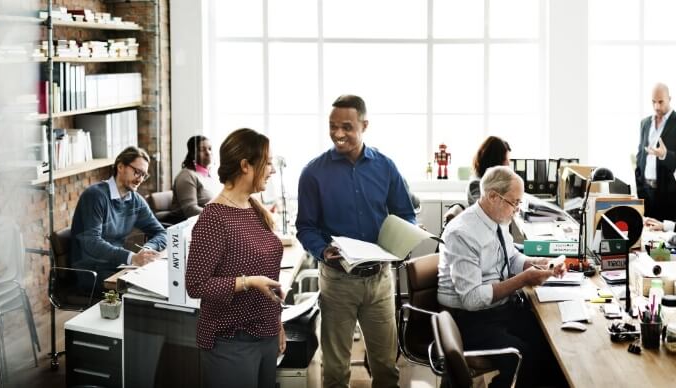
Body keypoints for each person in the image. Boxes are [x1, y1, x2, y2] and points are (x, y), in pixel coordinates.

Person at [296, 94, 416, 388]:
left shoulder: (385, 167)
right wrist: (322, 250)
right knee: (335, 371)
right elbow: (305, 227)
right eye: (332, 126)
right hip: (338, 281)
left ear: (364, 125)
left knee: (386, 367)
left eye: (347, 127)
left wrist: (401, 242)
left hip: (379, 281)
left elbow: (405, 214)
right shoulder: (313, 173)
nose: (338, 134)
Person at [438, 166, 566, 388]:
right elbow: (472, 299)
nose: (517, 209)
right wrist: (524, 279)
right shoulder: (463, 233)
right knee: (524, 356)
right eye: (514, 202)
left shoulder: (496, 220)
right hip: (469, 319)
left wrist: (536, 263)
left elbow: (511, 257)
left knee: (553, 345)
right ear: (492, 197)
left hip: (498, 310)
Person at [185, 128, 284, 388]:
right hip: (231, 343)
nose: (272, 169)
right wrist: (248, 282)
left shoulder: (253, 207)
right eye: (268, 162)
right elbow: (195, 285)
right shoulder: (213, 218)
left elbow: (269, 275)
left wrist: (277, 323)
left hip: (266, 334)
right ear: (245, 166)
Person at [69, 146, 166, 281]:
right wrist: (132, 258)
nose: (140, 179)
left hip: (117, 267)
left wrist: (147, 249)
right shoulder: (95, 196)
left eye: (144, 175)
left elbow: (162, 233)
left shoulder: (135, 200)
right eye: (137, 172)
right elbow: (92, 243)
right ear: (120, 167)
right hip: (91, 272)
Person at [635, 83, 676, 223]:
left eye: (661, 101)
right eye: (653, 102)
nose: (657, 106)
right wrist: (640, 189)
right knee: (648, 238)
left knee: (666, 240)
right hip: (646, 194)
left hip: (670, 197)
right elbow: (640, 156)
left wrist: (665, 155)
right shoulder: (644, 123)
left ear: (669, 99)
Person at [172, 135, 216, 219]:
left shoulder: (208, 175)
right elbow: (190, 210)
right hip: (189, 225)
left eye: (210, 149)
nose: (208, 152)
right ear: (193, 154)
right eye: (202, 150)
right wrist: (219, 216)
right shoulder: (187, 175)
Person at [467, 136, 511, 206]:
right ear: (496, 161)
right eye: (506, 159)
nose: (508, 164)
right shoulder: (476, 184)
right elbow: (489, 210)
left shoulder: (491, 180)